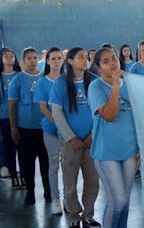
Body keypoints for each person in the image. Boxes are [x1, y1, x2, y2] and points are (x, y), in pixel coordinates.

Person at [88, 47, 139, 228]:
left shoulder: (130, 85)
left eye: (114, 58)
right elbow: (110, 115)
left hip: (129, 151)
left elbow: (139, 119)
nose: (112, 63)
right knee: (117, 201)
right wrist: (116, 86)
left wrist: (139, 149)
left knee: (125, 203)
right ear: (99, 68)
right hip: (106, 152)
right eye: (106, 61)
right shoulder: (95, 87)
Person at [49, 47, 100, 227]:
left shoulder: (94, 82)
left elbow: (99, 113)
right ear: (69, 61)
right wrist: (71, 138)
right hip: (70, 142)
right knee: (70, 181)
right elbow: (56, 112)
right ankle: (74, 217)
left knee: (93, 180)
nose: (85, 60)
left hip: (91, 141)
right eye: (80, 57)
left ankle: (88, 215)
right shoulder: (61, 83)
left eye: (86, 57)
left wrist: (92, 135)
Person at [8, 47, 50, 204]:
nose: (32, 61)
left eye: (34, 58)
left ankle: (48, 190)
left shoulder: (45, 78)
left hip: (44, 128)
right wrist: (13, 127)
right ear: (23, 61)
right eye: (29, 58)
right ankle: (30, 192)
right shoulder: (17, 79)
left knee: (46, 163)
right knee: (27, 163)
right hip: (25, 129)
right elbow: (12, 105)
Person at [34, 47, 64, 215]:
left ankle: (69, 200)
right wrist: (58, 122)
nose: (57, 61)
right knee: (54, 165)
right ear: (47, 61)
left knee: (68, 166)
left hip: (68, 131)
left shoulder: (66, 80)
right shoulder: (42, 82)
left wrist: (66, 126)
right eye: (53, 58)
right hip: (51, 129)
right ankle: (55, 199)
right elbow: (43, 107)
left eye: (60, 58)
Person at [0, 48, 23, 189]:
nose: (9, 58)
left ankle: (24, 174)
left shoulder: (20, 75)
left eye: (11, 55)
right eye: (5, 56)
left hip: (20, 118)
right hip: (3, 117)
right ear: (1, 59)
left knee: (20, 147)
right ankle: (10, 171)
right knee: (6, 145)